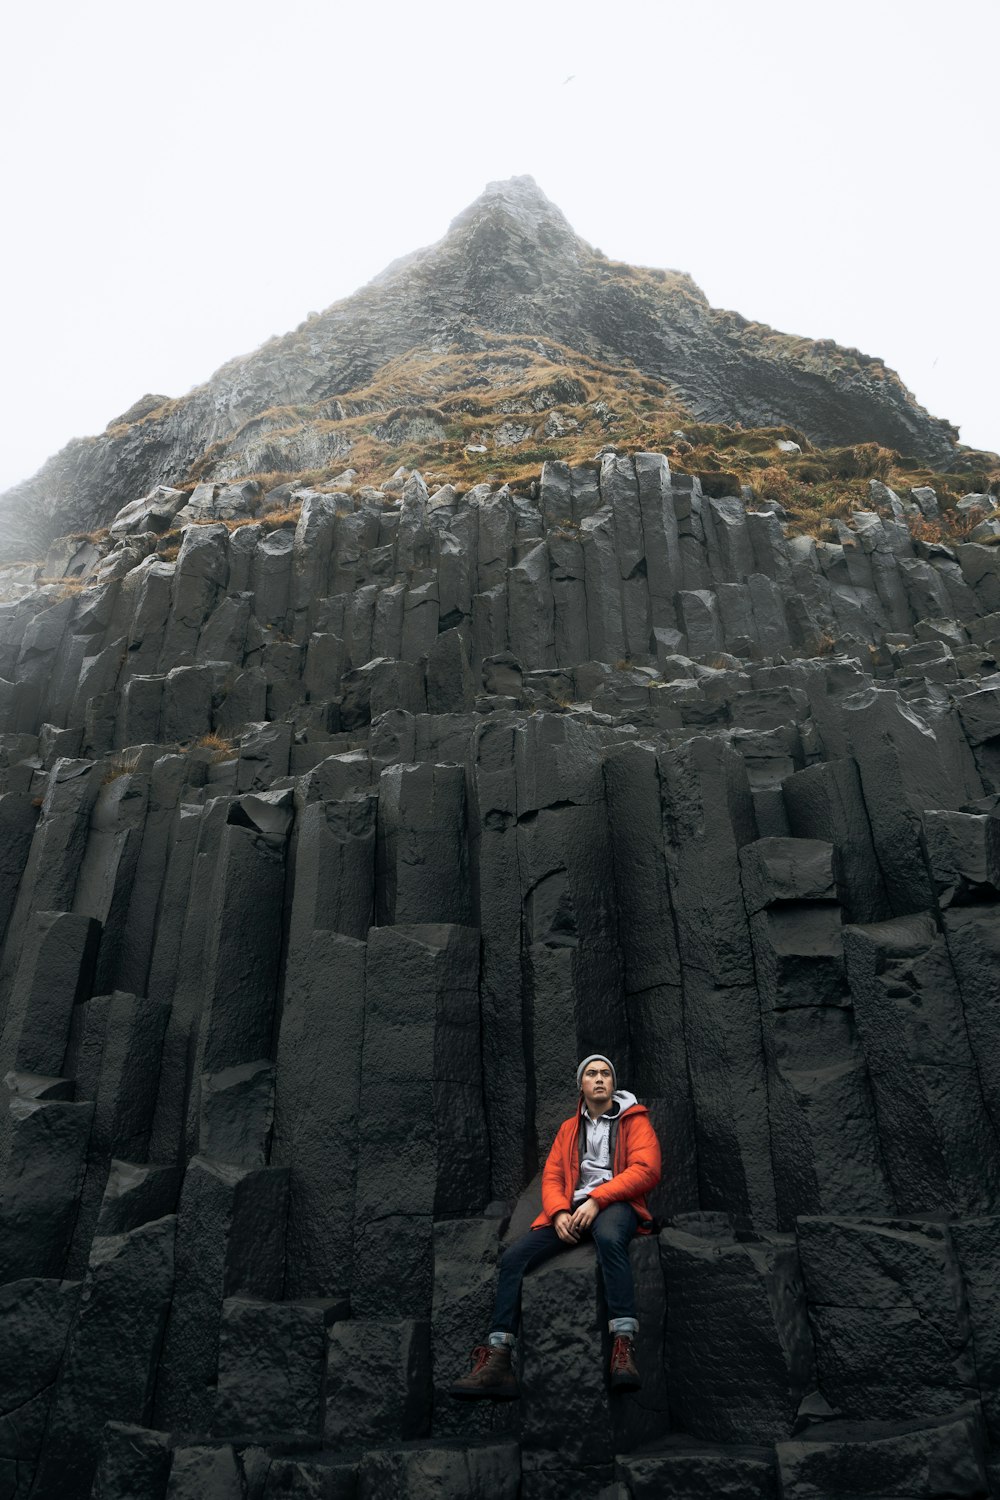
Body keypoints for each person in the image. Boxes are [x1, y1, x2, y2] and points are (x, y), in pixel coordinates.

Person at [450, 1053, 661, 1401]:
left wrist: (598, 1199)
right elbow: (553, 1177)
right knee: (514, 1258)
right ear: (581, 1084)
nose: (598, 1078)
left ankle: (623, 1346)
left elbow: (646, 1169)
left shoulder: (635, 1121)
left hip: (616, 1204)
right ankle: (498, 1358)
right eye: (591, 1073)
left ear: (613, 1083)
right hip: (572, 1208)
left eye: (605, 1073)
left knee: (609, 1238)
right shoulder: (568, 1128)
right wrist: (560, 1212)